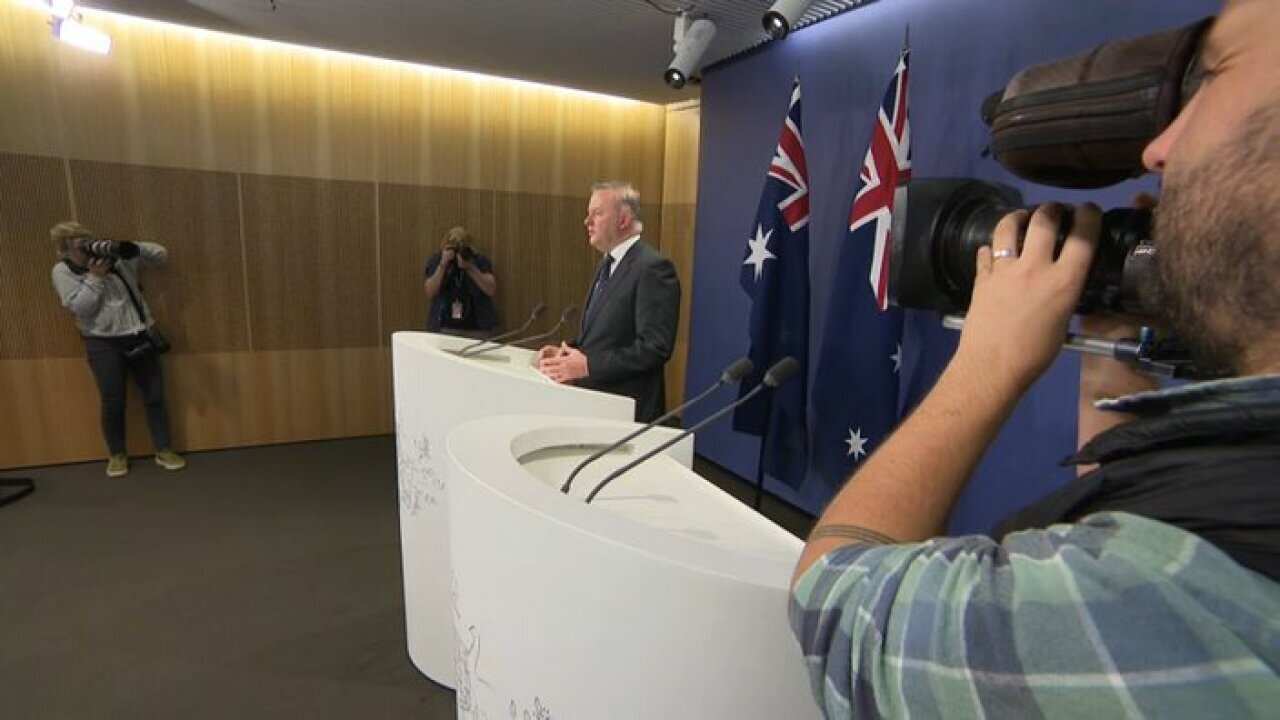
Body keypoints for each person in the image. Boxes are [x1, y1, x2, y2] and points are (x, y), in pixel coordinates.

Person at [789, 2, 1280, 717]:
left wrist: (987, 361)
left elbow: (835, 607)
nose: (1158, 149)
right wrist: (1112, 356)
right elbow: (1125, 524)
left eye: (1216, 77)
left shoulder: (1201, 588)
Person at [50, 221, 186, 478]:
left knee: (155, 396)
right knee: (113, 401)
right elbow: (81, 308)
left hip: (139, 334)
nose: (88, 251)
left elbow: (161, 255)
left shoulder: (118, 259)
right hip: (102, 342)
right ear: (65, 250)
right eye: (80, 246)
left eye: (88, 241)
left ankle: (164, 449)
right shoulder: (62, 270)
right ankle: (117, 454)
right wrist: (95, 278)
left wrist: (128, 247)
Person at [537, 181, 680, 423]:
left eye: (597, 213)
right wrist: (567, 354)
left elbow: (655, 348)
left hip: (628, 412)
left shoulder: (652, 268)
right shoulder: (607, 264)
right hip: (598, 404)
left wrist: (588, 365)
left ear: (623, 220)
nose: (587, 221)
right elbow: (606, 337)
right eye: (588, 214)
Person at [423, 226, 497, 336]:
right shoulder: (438, 260)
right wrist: (443, 265)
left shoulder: (478, 260)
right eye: (453, 246)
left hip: (477, 328)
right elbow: (429, 292)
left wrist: (470, 267)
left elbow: (491, 289)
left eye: (462, 245)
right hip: (443, 327)